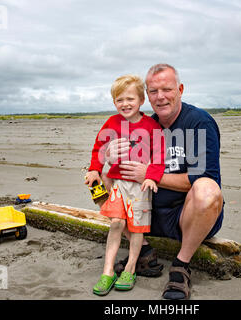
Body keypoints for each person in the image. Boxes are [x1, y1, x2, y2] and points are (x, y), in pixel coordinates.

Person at [105, 64, 224, 300]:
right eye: (153, 91)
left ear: (180, 89)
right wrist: (109, 157)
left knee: (207, 189)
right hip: (148, 214)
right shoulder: (145, 125)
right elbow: (123, 171)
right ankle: (145, 252)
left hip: (186, 217)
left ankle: (181, 265)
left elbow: (205, 178)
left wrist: (151, 174)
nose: (160, 97)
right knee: (103, 179)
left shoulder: (199, 122)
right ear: (146, 96)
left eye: (167, 89)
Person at [85, 74, 165, 296]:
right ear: (114, 102)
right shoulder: (111, 123)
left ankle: (130, 267)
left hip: (139, 187)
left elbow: (159, 157)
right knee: (117, 223)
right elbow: (98, 147)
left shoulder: (150, 125)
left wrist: (152, 177)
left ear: (141, 100)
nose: (125, 104)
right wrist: (94, 169)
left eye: (130, 99)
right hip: (118, 183)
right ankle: (108, 271)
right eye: (119, 100)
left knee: (137, 227)